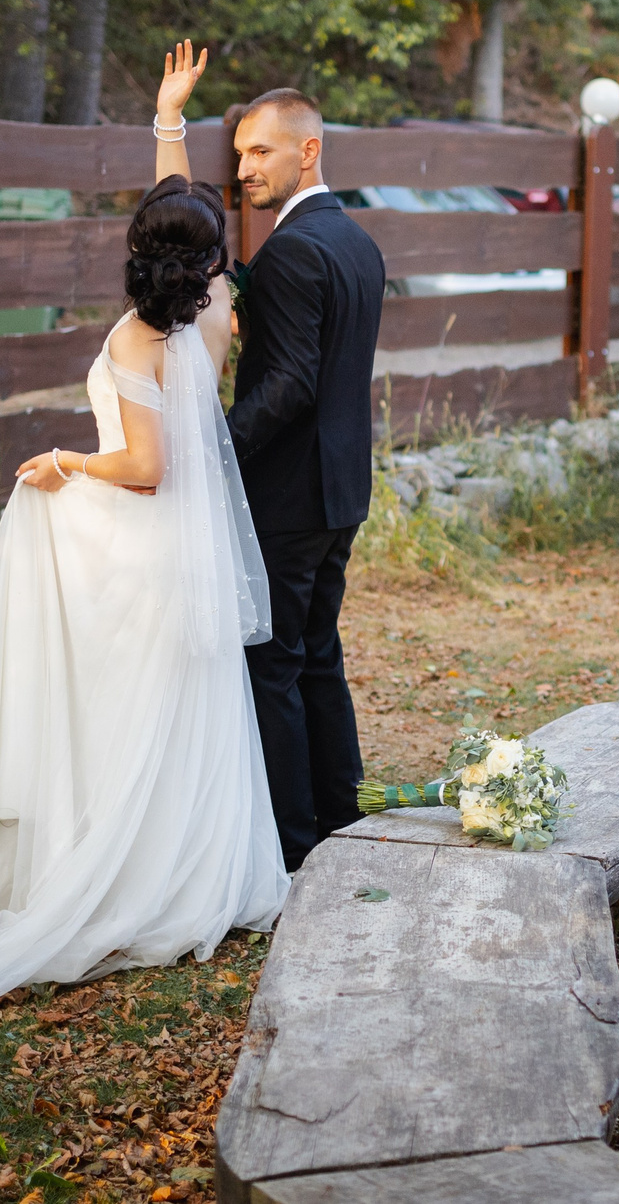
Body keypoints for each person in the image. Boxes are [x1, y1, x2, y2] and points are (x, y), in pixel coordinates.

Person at [0, 42, 287, 1019]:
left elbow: (145, 466)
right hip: (187, 551)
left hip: (139, 543)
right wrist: (167, 122)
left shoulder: (138, 336)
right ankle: (187, 875)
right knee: (173, 718)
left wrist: (64, 461)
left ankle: (114, 878)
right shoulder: (212, 314)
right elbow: (185, 217)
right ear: (205, 263)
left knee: (113, 715)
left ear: (140, 253)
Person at [206, 85, 386, 871]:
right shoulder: (356, 242)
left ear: (308, 150)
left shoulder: (293, 250)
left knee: (274, 665)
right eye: (240, 153)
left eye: (261, 151)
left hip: (289, 494)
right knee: (317, 654)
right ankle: (342, 817)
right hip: (341, 490)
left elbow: (289, 384)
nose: (245, 167)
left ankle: (293, 848)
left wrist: (213, 446)